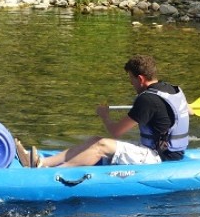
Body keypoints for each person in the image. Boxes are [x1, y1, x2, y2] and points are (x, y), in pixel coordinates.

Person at [16, 54, 189, 168]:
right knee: (95, 140)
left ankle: (52, 174)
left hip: (160, 158)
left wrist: (104, 116)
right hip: (169, 152)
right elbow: (184, 111)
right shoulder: (172, 89)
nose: (131, 83)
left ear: (141, 79)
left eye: (131, 79)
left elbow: (116, 131)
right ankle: (41, 162)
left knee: (102, 145)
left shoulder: (147, 99)